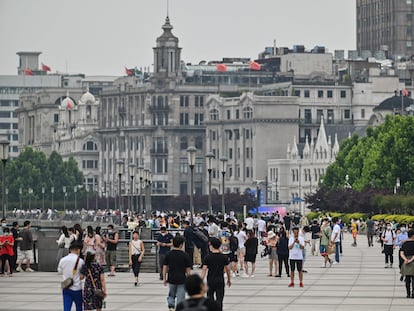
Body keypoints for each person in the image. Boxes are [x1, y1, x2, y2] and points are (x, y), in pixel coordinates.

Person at [201, 237, 231, 311]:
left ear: (211, 246)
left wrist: (200, 281)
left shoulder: (207, 257)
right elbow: (227, 269)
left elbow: (204, 270)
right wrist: (229, 279)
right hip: (220, 280)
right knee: (219, 298)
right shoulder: (223, 257)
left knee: (210, 298)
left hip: (210, 280)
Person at [162, 235, 192, 311]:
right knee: (181, 296)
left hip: (171, 278)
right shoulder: (185, 255)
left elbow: (165, 267)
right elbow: (188, 270)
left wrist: (164, 278)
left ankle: (171, 306)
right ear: (181, 245)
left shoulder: (168, 254)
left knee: (171, 295)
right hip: (182, 279)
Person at [58, 243, 85, 311]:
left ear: (70, 250)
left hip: (66, 287)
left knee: (67, 308)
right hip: (77, 288)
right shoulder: (81, 261)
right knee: (79, 307)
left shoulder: (63, 260)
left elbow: (60, 271)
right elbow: (82, 276)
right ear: (78, 250)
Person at [400, 230, 414, 298]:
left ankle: (408, 294)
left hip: (406, 262)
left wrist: (405, 259)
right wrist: (411, 260)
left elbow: (401, 253)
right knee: (413, 279)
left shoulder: (404, 244)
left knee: (407, 279)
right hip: (413, 262)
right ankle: (413, 293)